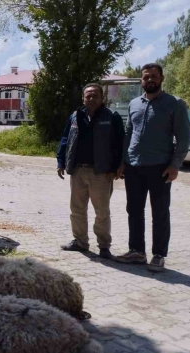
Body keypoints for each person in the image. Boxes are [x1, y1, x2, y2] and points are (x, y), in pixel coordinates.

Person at [115, 63, 190, 272]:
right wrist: (123, 162)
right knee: (134, 211)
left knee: (159, 213)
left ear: (162, 78)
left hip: (160, 168)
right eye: (146, 77)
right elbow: (128, 135)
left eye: (154, 76)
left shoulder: (174, 104)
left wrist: (175, 165)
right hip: (133, 167)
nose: (150, 80)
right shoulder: (134, 104)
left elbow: (184, 138)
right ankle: (137, 252)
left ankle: (159, 255)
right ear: (141, 80)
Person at [56, 83, 125, 259]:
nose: (91, 99)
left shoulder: (111, 117)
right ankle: (80, 242)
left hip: (101, 173)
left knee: (102, 212)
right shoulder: (75, 116)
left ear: (102, 98)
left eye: (95, 95)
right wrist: (61, 161)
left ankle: (104, 246)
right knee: (77, 210)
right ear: (83, 98)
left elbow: (119, 144)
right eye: (88, 96)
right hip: (78, 171)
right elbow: (65, 139)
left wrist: (116, 167)